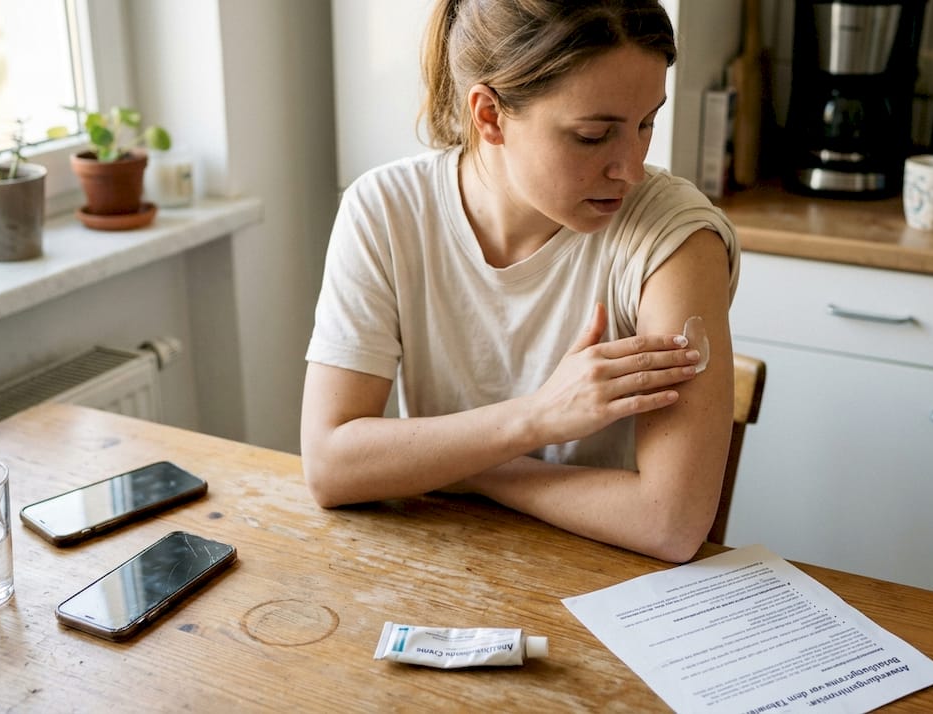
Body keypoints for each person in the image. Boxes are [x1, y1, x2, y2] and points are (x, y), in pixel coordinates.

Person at [301, 0, 740, 563]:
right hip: (439, 562)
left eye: (646, 122)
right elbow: (330, 466)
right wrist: (536, 417)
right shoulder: (385, 210)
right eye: (592, 135)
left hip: (609, 581)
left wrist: (474, 468)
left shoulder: (674, 239)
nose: (630, 168)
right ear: (489, 115)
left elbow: (670, 523)